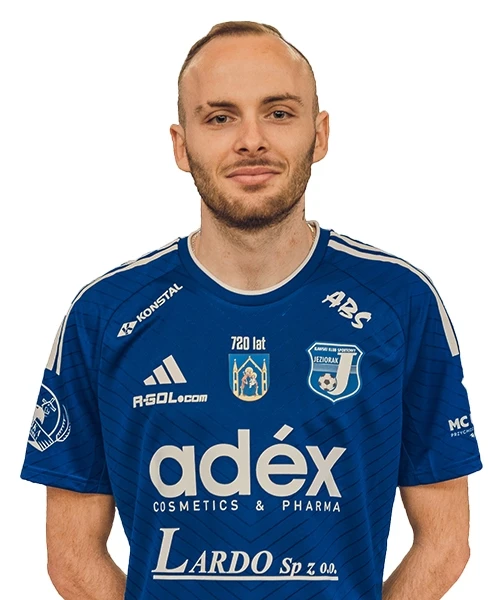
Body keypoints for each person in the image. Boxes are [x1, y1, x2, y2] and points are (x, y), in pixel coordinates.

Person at [20, 20, 482, 600]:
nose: (251, 140)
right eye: (220, 117)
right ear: (181, 145)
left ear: (320, 134)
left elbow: (446, 542)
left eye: (279, 113)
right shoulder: (104, 315)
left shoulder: (401, 303)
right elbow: (71, 556)